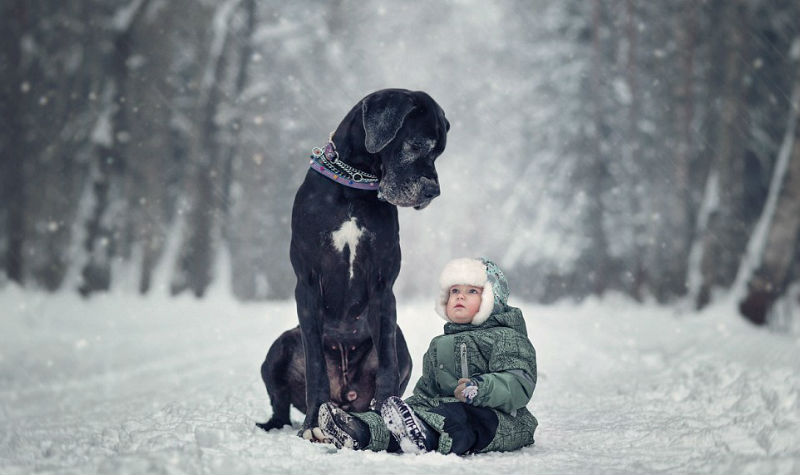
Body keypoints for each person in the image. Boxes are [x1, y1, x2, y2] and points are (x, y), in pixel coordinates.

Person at [317, 257, 538, 455]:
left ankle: (421, 433)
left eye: (472, 291)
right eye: (454, 291)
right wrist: (410, 409)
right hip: (444, 412)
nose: (460, 295)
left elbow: (518, 382)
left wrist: (481, 388)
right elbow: (427, 392)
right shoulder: (439, 345)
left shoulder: (506, 337)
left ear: (492, 299)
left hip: (500, 419)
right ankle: (359, 430)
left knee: (460, 419)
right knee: (417, 415)